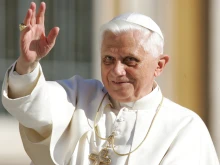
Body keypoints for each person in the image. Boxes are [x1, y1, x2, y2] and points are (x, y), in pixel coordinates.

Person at [1, 2, 219, 165]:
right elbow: (33, 106)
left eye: (129, 60)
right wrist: (28, 65)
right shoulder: (79, 97)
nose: (116, 70)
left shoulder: (185, 127)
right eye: (108, 59)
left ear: (159, 65)